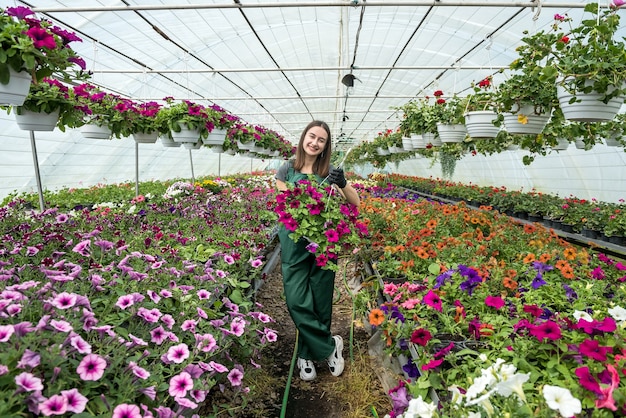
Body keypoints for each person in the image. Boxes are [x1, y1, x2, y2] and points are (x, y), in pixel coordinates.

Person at [275, 120, 360, 381]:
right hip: (294, 241)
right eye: (311, 137)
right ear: (303, 138)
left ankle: (306, 354)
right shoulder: (287, 169)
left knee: (320, 299)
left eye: (321, 140)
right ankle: (330, 345)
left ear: (326, 146)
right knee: (296, 300)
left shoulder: (329, 171)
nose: (314, 142)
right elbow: (286, 202)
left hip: (324, 242)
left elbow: (356, 203)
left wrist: (342, 183)